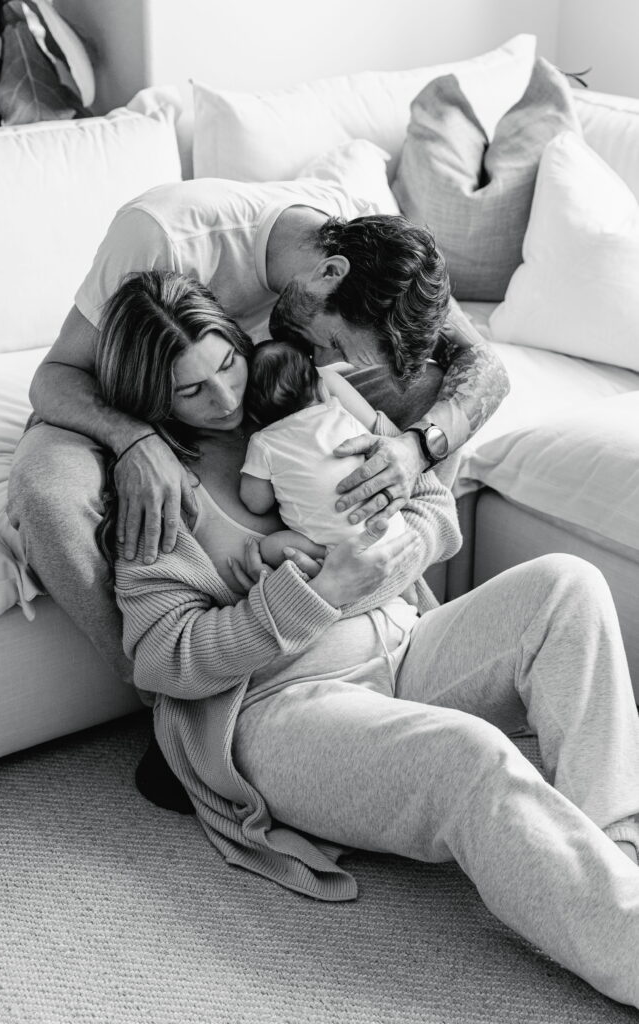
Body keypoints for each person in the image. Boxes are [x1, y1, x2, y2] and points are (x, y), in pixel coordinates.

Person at [96, 270, 639, 1010]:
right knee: (470, 759)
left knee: (565, 585)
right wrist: (314, 594)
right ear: (149, 398)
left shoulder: (292, 403)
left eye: (224, 364)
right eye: (190, 391)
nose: (223, 399)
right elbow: (165, 659)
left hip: (404, 645)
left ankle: (615, 858)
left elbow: (435, 512)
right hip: (281, 712)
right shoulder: (156, 491)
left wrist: (379, 557)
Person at [6, 175, 509, 682]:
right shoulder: (164, 236)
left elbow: (485, 366)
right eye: (334, 341)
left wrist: (414, 450)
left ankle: (385, 575)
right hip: (126, 394)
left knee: (437, 389)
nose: (326, 363)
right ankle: (156, 691)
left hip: (256, 380)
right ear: (330, 272)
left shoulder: (385, 255)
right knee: (45, 489)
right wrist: (133, 438)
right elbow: (53, 378)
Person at [240, 338, 408, 567]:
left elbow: (256, 503)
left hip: (341, 550)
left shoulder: (263, 443)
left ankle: (322, 554)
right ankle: (407, 587)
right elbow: (380, 449)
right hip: (394, 528)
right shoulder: (341, 414)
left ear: (255, 417)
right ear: (321, 388)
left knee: (270, 548)